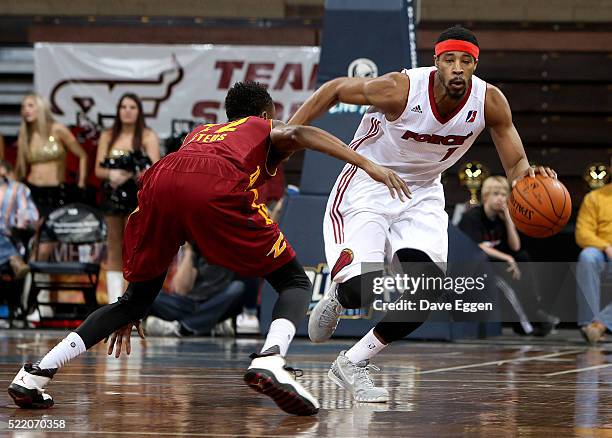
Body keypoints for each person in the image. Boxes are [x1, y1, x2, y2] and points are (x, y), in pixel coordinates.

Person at [8, 81, 409, 416]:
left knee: (132, 302)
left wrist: (134, 304)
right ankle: (270, 359)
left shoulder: (201, 131)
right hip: (212, 183)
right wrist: (367, 164)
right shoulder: (261, 127)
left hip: (160, 179)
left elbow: (181, 194)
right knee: (293, 280)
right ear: (266, 114)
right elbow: (301, 133)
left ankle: (34, 375)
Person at [290, 25, 558, 402]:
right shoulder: (400, 88)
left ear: (475, 65)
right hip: (368, 181)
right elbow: (333, 90)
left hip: (422, 193)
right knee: (361, 290)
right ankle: (339, 296)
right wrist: (289, 131)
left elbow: (515, 164)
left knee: (426, 291)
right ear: (437, 63)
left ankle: (353, 363)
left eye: (466, 61)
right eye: (450, 60)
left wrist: (530, 181)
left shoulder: (490, 102)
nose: (458, 68)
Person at [458, 175, 556, 336]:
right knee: (507, 279)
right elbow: (479, 246)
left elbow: (515, 247)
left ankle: (536, 311)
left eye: (504, 195)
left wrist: (509, 220)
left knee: (523, 258)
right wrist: (507, 258)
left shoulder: (501, 218)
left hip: (498, 262)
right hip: (476, 265)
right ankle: (525, 326)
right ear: (485, 196)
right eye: (496, 194)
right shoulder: (473, 217)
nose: (500, 199)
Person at [95, 93, 161, 304]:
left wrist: (136, 172)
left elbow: (157, 169)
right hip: (113, 194)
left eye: (132, 107)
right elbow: (98, 169)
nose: (127, 111)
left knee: (134, 248)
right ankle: (113, 301)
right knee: (113, 246)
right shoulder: (108, 136)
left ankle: (130, 300)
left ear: (139, 111)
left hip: (137, 195)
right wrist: (111, 174)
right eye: (123, 106)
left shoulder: (147, 136)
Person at [15, 94, 88, 261]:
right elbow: (20, 168)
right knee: (32, 237)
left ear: (41, 108)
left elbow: (82, 155)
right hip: (31, 191)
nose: (26, 110)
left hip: (55, 192)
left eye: (31, 105)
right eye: (24, 107)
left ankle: (36, 276)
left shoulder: (57, 129)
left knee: (48, 240)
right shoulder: (25, 135)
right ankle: (34, 278)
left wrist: (81, 183)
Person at [144, 242, 245, 337]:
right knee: (154, 295)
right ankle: (209, 325)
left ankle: (181, 327)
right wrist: (188, 251)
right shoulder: (196, 246)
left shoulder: (229, 242)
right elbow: (181, 289)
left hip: (216, 301)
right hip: (190, 304)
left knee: (237, 288)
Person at [575, 168, 612, 344]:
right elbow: (582, 233)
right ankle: (588, 324)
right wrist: (605, 246)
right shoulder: (595, 197)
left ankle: (598, 325)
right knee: (587, 256)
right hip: (603, 253)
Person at [0, 160, 39, 278]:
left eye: (3, 176)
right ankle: (13, 258)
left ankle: (13, 257)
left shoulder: (18, 189)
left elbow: (32, 218)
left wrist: (18, 220)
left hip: (11, 235)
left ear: (11, 174)